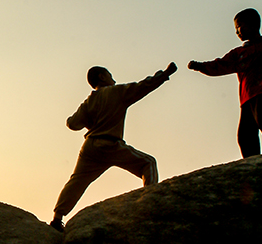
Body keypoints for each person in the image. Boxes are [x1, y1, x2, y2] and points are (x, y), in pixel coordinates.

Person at [50, 62, 176, 231]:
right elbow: (143, 87)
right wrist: (164, 74)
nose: (114, 79)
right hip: (110, 144)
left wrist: (90, 122)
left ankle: (57, 218)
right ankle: (150, 201)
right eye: (110, 75)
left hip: (90, 148)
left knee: (77, 181)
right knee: (148, 163)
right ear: (102, 77)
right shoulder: (117, 92)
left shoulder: (89, 101)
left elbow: (72, 124)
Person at [188, 8, 262, 157]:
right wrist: (200, 66)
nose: (237, 31)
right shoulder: (238, 54)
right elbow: (220, 65)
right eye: (235, 28)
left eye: (239, 26)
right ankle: (251, 159)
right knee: (245, 132)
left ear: (253, 25)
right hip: (247, 97)